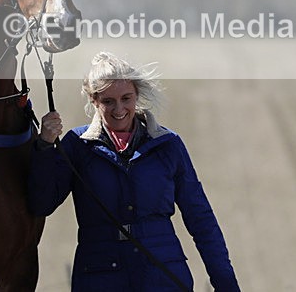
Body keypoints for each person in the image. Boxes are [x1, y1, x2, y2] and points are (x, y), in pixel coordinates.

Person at [28, 52, 240, 291]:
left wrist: (226, 283)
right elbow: (42, 204)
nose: (119, 109)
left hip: (163, 274)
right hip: (99, 276)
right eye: (108, 101)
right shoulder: (77, 145)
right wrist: (45, 146)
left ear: (137, 95)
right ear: (94, 100)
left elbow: (201, 219)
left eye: (126, 98)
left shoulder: (168, 145)